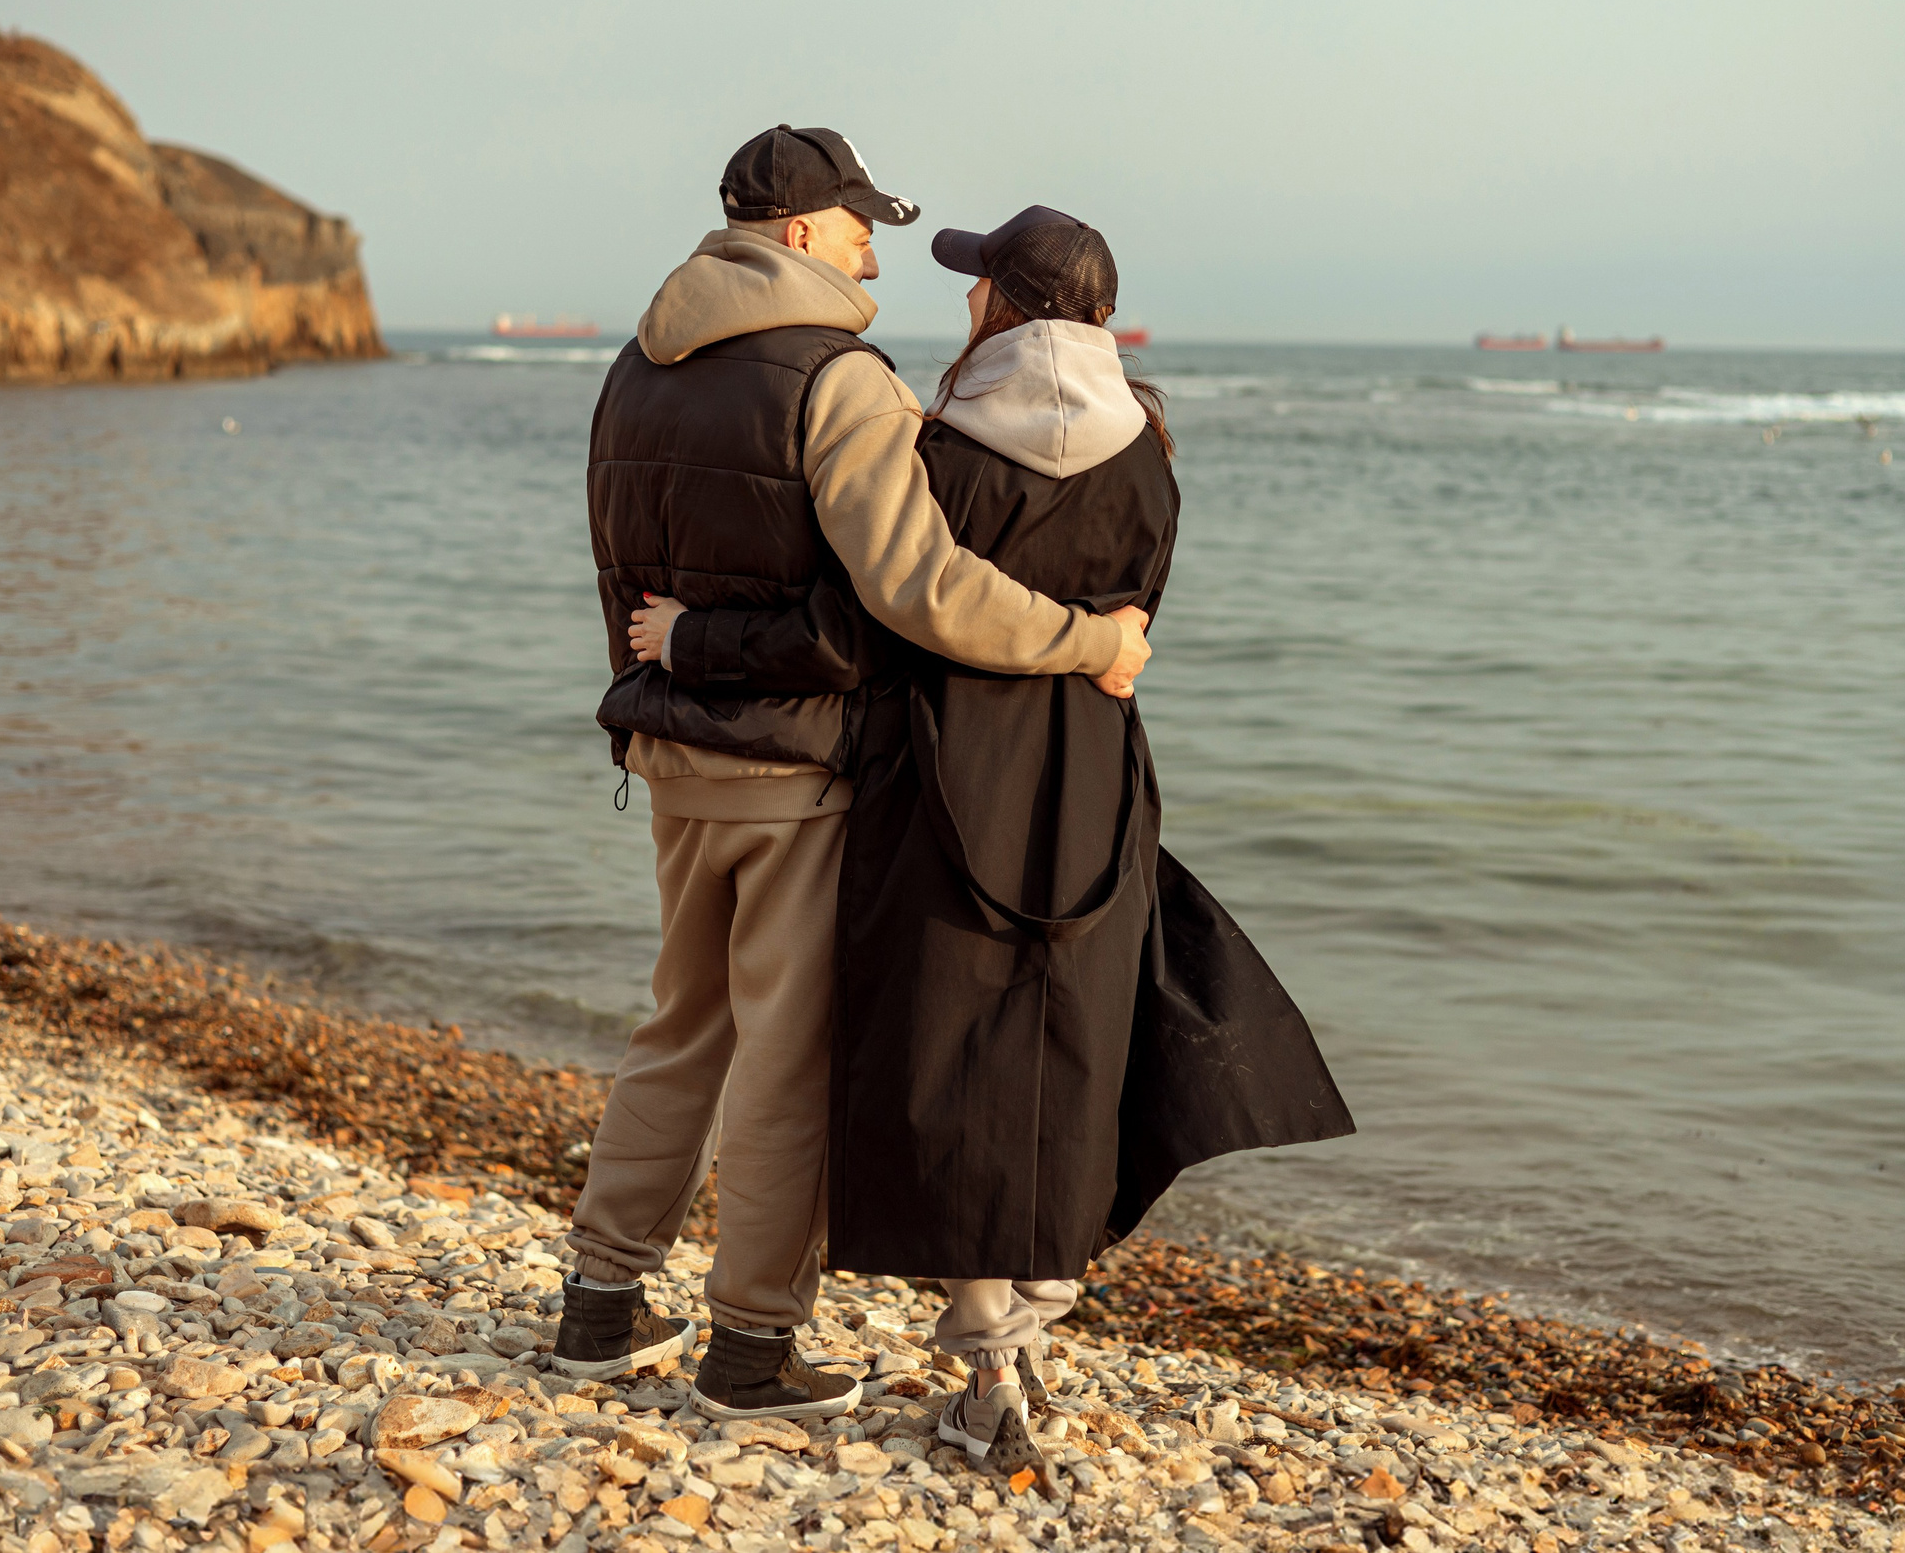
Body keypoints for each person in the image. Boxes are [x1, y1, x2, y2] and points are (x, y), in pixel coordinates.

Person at [646, 206, 1354, 1474]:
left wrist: (689, 641)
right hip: (1090, 784)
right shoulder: (1153, 454)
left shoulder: (941, 451)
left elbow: (859, 627)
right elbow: (1136, 631)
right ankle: (1020, 1335)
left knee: (952, 1056)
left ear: (1006, 307)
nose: (962, 300)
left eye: (976, 285)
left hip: (939, 784)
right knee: (1072, 1050)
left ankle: (979, 1359)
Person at [563, 132, 1154, 1423]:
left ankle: (598, 1302)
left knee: (681, 1020)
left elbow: (619, 570)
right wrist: (1094, 638)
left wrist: (671, 670)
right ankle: (751, 1347)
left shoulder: (634, 364)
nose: (874, 248)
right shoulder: (839, 380)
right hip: (796, 764)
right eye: (856, 225)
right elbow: (918, 592)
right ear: (793, 235)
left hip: (670, 748)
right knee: (784, 1057)